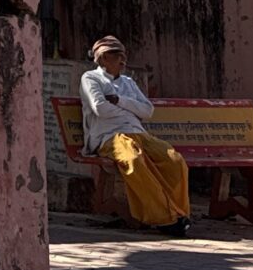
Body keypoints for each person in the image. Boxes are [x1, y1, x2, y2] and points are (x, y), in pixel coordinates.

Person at [80, 35, 190, 235]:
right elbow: (100, 108)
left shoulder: (128, 82)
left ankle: (178, 212)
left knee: (174, 160)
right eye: (118, 55)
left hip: (139, 133)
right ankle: (164, 218)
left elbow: (147, 111)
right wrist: (132, 110)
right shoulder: (90, 78)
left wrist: (120, 101)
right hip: (110, 136)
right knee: (133, 160)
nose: (123, 60)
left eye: (124, 55)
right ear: (103, 58)